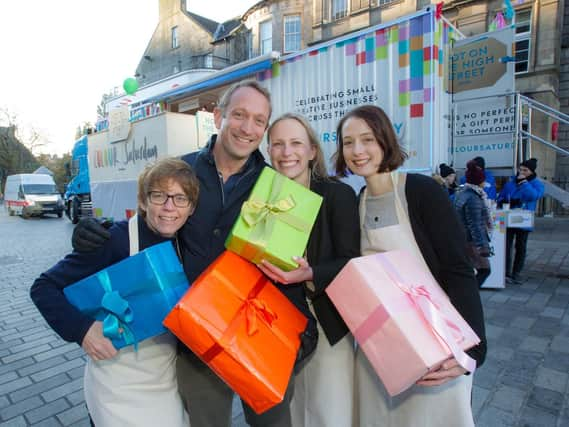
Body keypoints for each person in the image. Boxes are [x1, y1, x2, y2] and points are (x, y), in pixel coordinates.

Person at [71, 80, 316, 427]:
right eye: (239, 115)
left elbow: (286, 267)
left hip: (257, 334)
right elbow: (149, 221)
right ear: (218, 117)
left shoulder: (276, 186)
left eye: (259, 121)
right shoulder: (182, 172)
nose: (248, 128)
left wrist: (299, 336)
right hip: (195, 340)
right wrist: (95, 233)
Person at [334, 105, 486, 427]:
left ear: (385, 141)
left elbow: (458, 269)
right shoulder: (357, 201)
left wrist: (473, 352)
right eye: (348, 142)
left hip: (437, 343)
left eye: (367, 139)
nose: (357, 151)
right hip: (383, 348)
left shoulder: (420, 191)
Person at [30, 158, 199, 427]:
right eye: (159, 196)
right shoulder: (115, 240)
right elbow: (43, 288)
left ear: (190, 209)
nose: (169, 207)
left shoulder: (186, 244)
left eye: (180, 198)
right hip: (116, 384)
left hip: (164, 382)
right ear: (143, 201)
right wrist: (82, 330)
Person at [257, 113, 360, 427]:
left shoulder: (337, 195)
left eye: (296, 143)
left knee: (329, 408)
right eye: (278, 144)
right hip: (278, 322)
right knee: (294, 408)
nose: (287, 152)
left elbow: (351, 260)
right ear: (269, 151)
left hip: (325, 318)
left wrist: (311, 272)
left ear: (312, 151)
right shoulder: (263, 199)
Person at [497, 158, 544, 284]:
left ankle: (516, 272)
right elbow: (502, 195)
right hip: (509, 217)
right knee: (507, 246)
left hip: (524, 220)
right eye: (520, 169)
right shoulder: (511, 182)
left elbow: (534, 196)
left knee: (521, 246)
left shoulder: (536, 184)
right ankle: (505, 272)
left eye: (525, 170)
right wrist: (503, 201)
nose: (521, 172)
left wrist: (524, 183)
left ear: (531, 171)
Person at [454, 160, 493, 288]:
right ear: (479, 181)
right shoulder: (474, 198)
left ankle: (465, 295)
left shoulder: (461, 193)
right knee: (484, 270)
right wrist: (482, 247)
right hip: (471, 241)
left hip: (462, 238)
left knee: (469, 270)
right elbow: (475, 224)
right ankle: (468, 297)